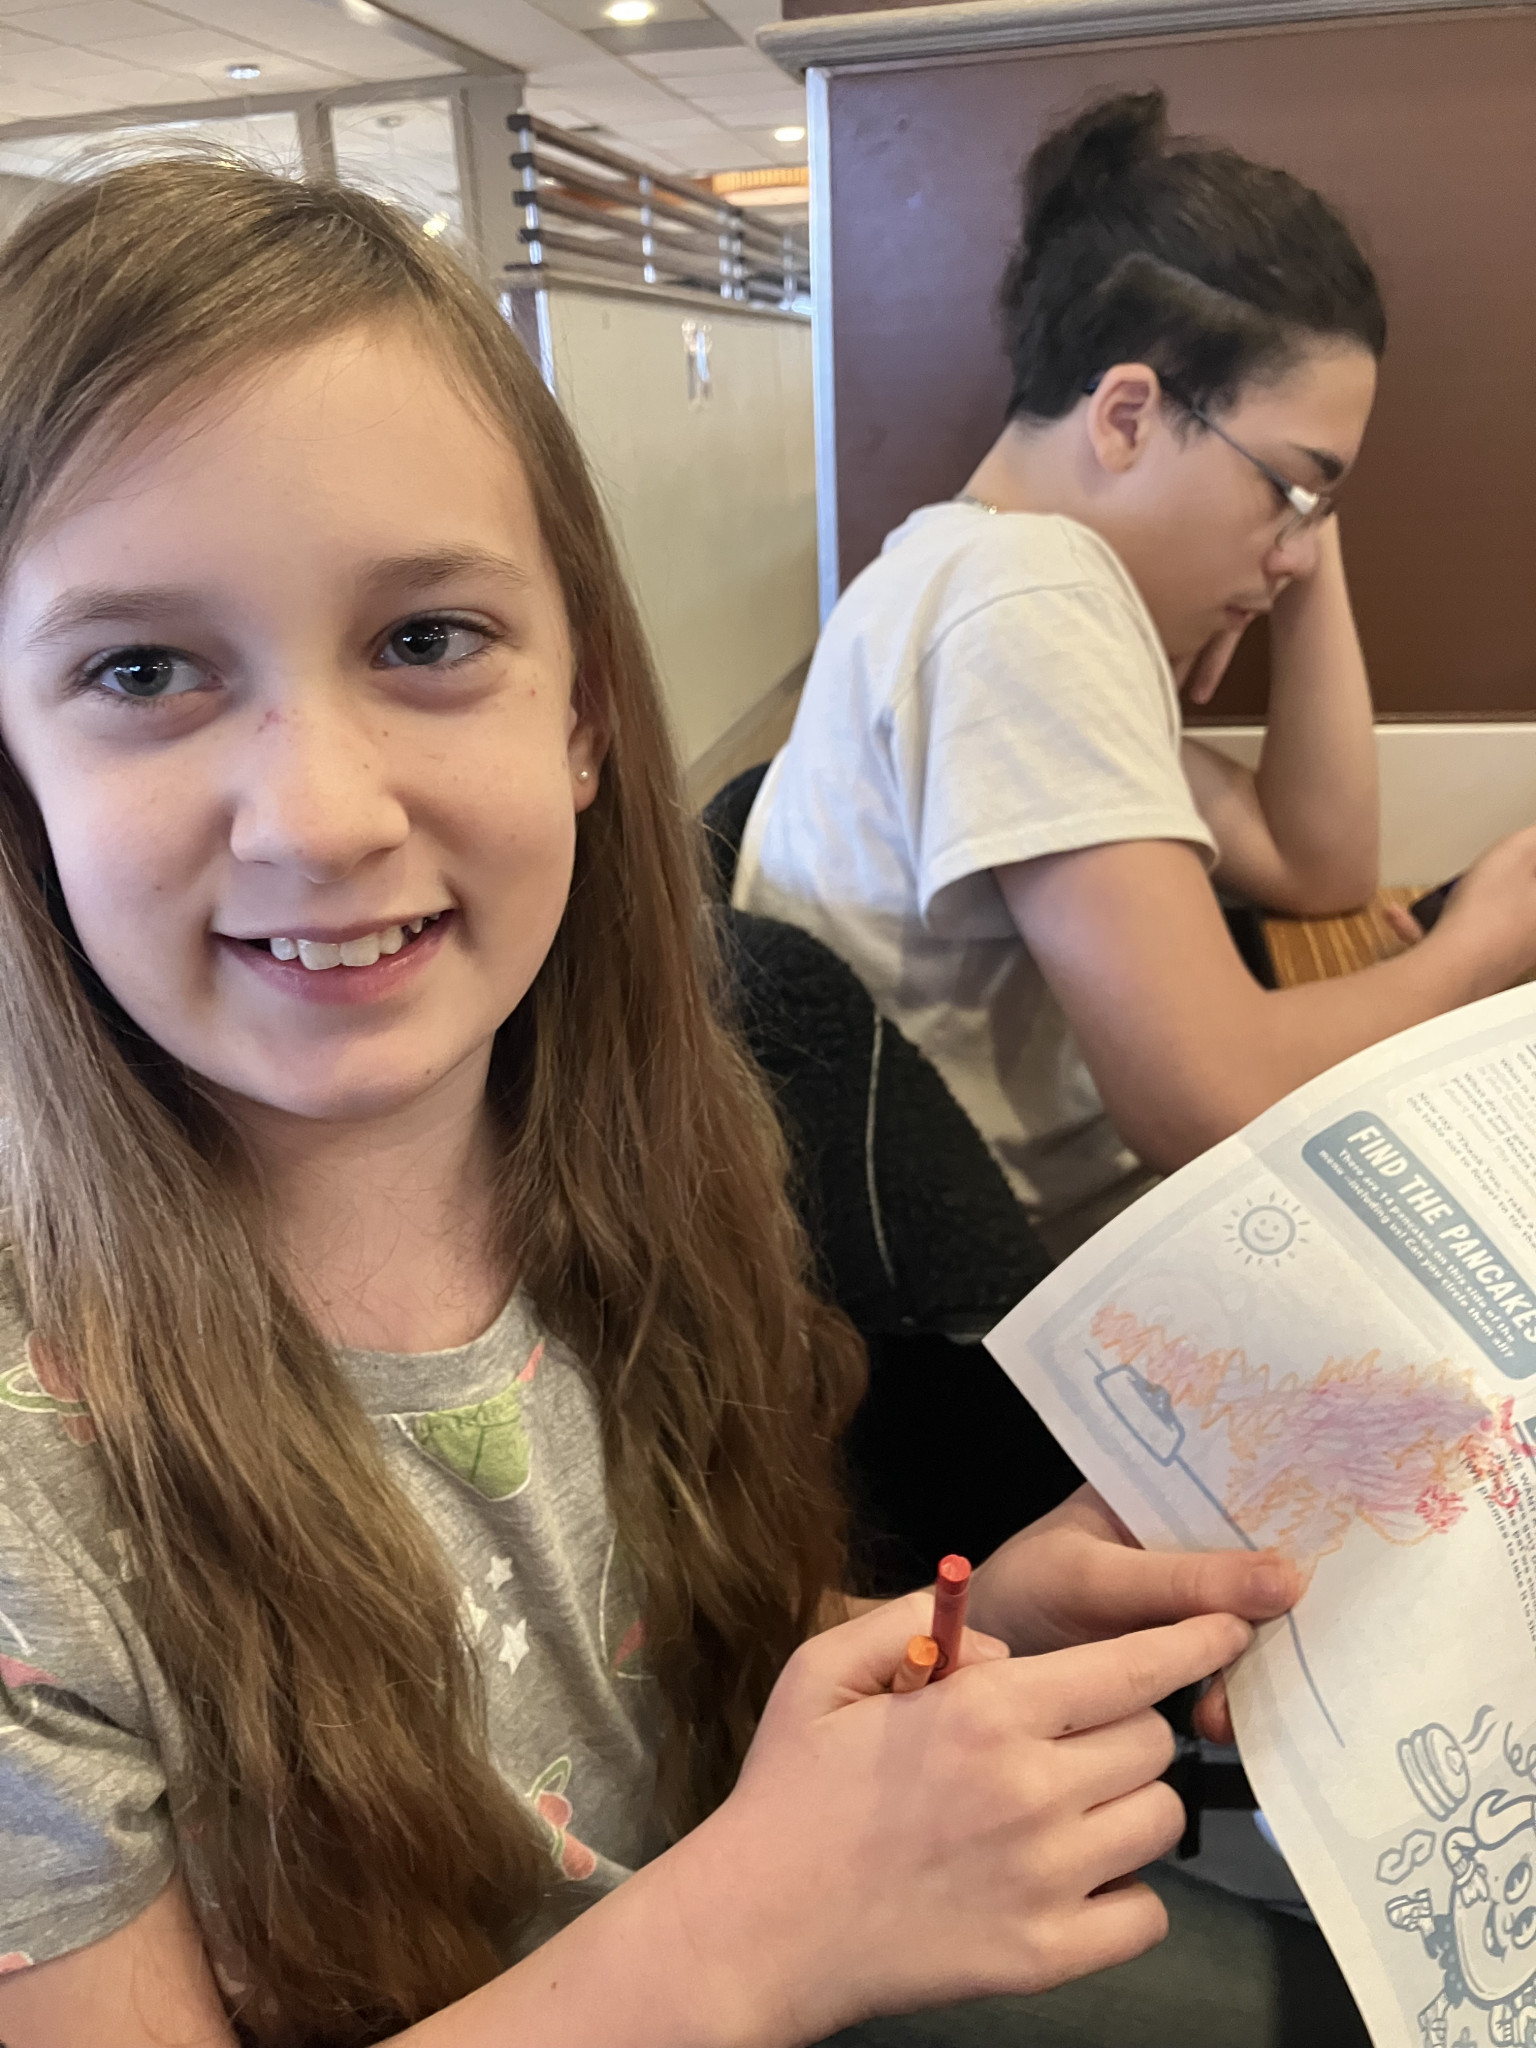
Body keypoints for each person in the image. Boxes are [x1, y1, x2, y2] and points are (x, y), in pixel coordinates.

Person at [0, 158, 1358, 2048]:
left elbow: (661, 1711)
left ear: (582, 715)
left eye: (424, 640)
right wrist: (748, 1933)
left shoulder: (641, 1151)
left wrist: (958, 1649)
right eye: (142, 669)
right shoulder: (35, 1481)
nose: (319, 815)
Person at [735, 91, 1536, 1257]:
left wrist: (1299, 534)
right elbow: (1206, 1099)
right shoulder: (1026, 603)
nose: (1299, 546)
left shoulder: (969, 577)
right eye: (1296, 485)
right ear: (1125, 416)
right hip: (1038, 1294)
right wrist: (1491, 942)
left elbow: (1317, 865)